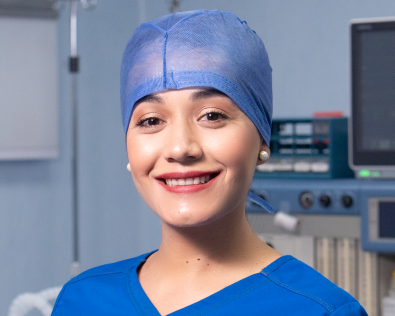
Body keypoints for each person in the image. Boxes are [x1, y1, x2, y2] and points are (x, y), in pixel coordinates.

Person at [51, 9, 367, 316]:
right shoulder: (82, 300)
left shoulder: (320, 310)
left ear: (262, 140)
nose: (180, 147)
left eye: (212, 116)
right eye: (150, 121)